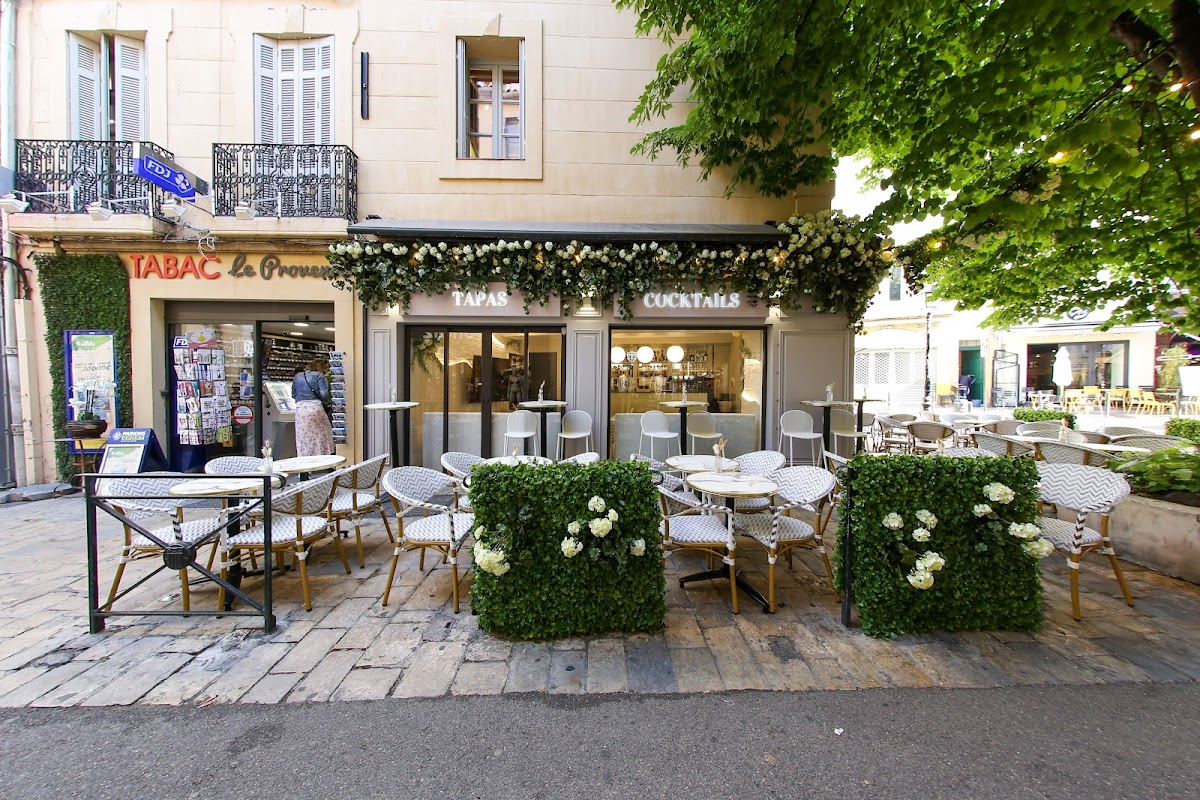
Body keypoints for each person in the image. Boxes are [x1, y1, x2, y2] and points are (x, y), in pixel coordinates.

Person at [292, 357, 333, 456]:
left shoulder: (297, 376)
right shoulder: (319, 376)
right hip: (316, 407)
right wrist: (326, 401)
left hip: (301, 409)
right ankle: (323, 455)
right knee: (322, 434)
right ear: (320, 367)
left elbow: (293, 394)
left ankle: (305, 457)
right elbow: (324, 393)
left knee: (303, 437)